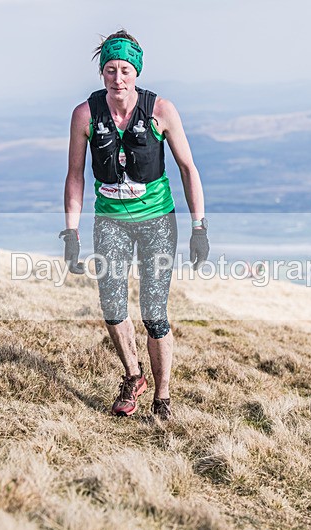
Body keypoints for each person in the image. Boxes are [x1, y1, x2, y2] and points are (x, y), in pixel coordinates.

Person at [60, 30, 209, 420]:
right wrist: (71, 232)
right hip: (110, 220)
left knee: (154, 313)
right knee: (111, 306)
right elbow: (75, 174)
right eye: (110, 70)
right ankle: (132, 376)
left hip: (157, 222)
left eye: (125, 69)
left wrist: (199, 228)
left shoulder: (161, 110)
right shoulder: (85, 115)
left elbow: (188, 168)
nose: (118, 78)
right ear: (101, 73)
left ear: (136, 71)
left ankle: (163, 398)